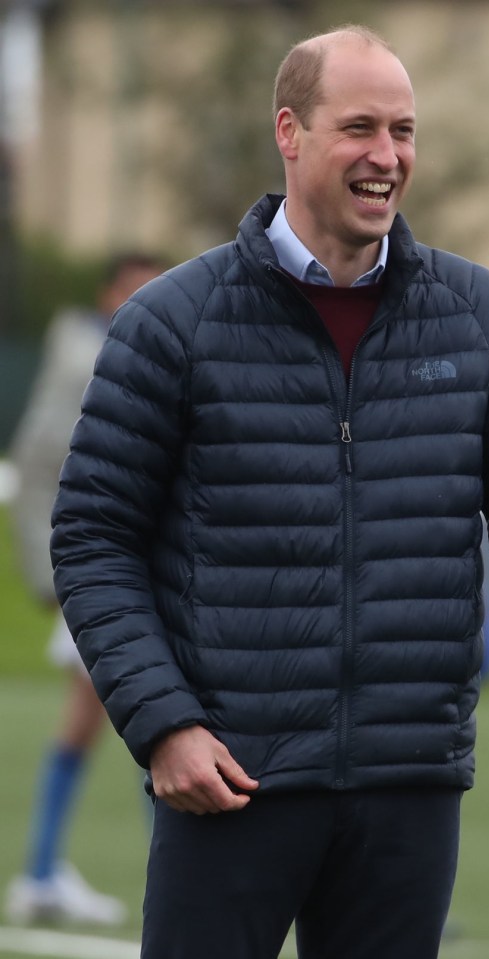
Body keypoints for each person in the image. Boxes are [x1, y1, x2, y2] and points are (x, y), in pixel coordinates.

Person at [49, 26, 489, 959]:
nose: (387, 155)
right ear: (290, 130)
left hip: (410, 784)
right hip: (231, 776)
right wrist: (164, 726)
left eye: (404, 130)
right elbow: (91, 537)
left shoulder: (480, 316)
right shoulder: (173, 321)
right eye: (360, 126)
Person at [5, 253, 166, 926]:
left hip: (132, 565)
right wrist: (53, 573)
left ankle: (42, 871)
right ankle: (46, 873)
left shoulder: (148, 350)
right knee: (152, 710)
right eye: (134, 288)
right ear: (107, 294)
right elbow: (40, 464)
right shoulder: (85, 357)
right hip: (103, 569)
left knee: (116, 712)